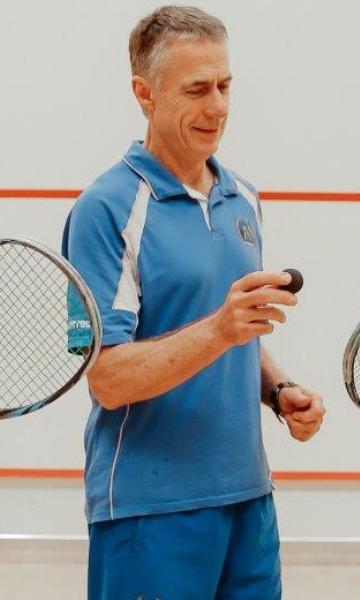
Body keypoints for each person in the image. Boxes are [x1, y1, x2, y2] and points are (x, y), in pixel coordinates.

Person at [62, 6, 324, 599]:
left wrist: (278, 392)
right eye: (197, 89)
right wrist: (222, 329)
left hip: (249, 500)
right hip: (149, 510)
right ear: (145, 94)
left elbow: (236, 333)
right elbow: (106, 377)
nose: (218, 107)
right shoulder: (106, 209)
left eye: (225, 86)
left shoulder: (243, 200)